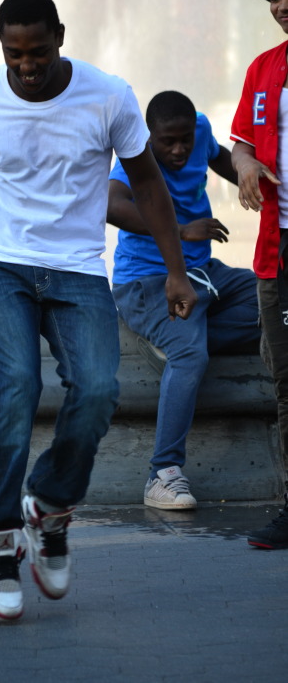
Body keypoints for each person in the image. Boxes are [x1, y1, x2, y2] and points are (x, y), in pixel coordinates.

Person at [0, 0, 197, 621]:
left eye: (39, 51)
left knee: (100, 388)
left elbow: (147, 184)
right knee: (19, 382)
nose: (27, 65)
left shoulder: (107, 95)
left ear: (60, 34)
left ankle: (48, 508)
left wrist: (175, 270)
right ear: (1, 44)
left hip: (77, 268)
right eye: (14, 53)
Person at [107, 91, 260, 511]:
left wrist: (256, 178)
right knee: (192, 356)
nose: (178, 150)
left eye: (184, 140)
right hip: (147, 283)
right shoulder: (136, 154)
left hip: (203, 274)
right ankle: (163, 473)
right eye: (167, 142)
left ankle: (175, 341)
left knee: (271, 300)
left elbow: (216, 157)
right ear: (149, 136)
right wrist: (180, 229)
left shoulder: (201, 132)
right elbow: (112, 204)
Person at [230, 0, 288, 549]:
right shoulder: (263, 67)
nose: (281, 6)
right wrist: (245, 164)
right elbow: (242, 140)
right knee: (286, 380)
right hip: (277, 249)